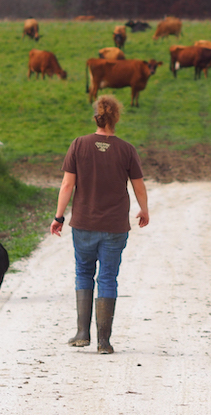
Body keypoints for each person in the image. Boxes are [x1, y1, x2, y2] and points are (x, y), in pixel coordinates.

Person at [51, 95, 150, 354]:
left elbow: (67, 185)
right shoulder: (127, 149)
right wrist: (144, 209)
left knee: (83, 273)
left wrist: (59, 217)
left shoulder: (79, 145)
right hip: (115, 226)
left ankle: (82, 333)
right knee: (108, 277)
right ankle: (104, 342)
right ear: (116, 117)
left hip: (84, 223)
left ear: (97, 115)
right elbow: (138, 185)